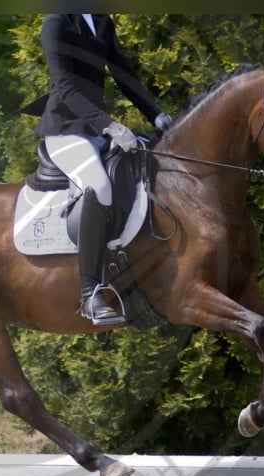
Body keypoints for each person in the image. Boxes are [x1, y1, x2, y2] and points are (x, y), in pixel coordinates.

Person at [33, 13, 172, 325]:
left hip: (96, 130)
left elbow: (123, 75)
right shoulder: (56, 23)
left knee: (148, 169)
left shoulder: (101, 21)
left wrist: (157, 115)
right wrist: (110, 125)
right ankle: (90, 293)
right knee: (99, 185)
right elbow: (66, 86)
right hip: (65, 129)